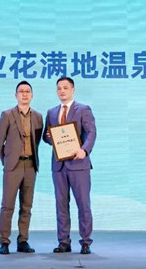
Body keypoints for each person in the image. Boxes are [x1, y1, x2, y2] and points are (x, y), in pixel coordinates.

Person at [43, 76, 96, 255]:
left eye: (65, 88)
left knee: (83, 204)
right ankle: (63, 241)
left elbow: (91, 132)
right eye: (59, 88)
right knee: (61, 205)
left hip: (79, 164)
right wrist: (50, 138)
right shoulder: (51, 112)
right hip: (59, 166)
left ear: (73, 90)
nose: (62, 91)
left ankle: (86, 242)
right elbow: (46, 137)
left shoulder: (83, 109)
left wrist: (84, 150)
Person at [0, 81, 43, 255]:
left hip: (30, 165)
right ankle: (4, 241)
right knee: (7, 205)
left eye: (27, 91)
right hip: (13, 166)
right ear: (16, 95)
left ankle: (23, 240)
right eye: (21, 91)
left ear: (32, 95)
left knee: (27, 206)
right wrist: (7, 161)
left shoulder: (38, 116)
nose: (24, 94)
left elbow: (37, 140)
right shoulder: (7, 115)